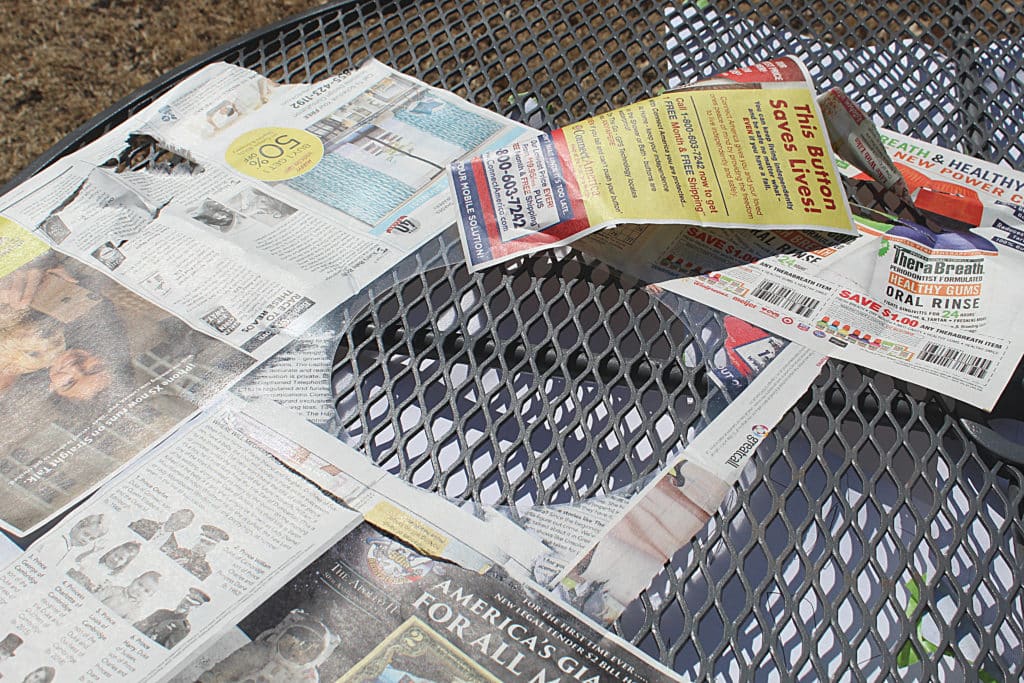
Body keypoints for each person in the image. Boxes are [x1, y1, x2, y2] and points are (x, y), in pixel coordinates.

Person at [133, 587, 210, 649]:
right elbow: (139, 626)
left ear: (195, 608)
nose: (185, 605)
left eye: (191, 605)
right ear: (182, 600)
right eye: (186, 601)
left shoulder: (183, 628)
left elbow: (163, 648)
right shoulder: (161, 612)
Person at [161, 524, 228, 580]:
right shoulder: (176, 551)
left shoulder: (206, 570)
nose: (202, 545)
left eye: (208, 544)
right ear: (197, 539)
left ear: (213, 548)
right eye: (202, 540)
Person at [96, 570, 161, 621]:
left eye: (146, 591)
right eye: (140, 584)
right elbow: (97, 597)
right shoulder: (115, 590)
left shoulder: (135, 610)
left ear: (150, 596)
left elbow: (125, 626)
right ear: (134, 580)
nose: (139, 590)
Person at [129, 508, 195, 541]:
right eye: (176, 518)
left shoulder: (172, 548)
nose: (176, 524)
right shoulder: (143, 523)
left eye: (182, 523)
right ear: (171, 515)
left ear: (184, 527)